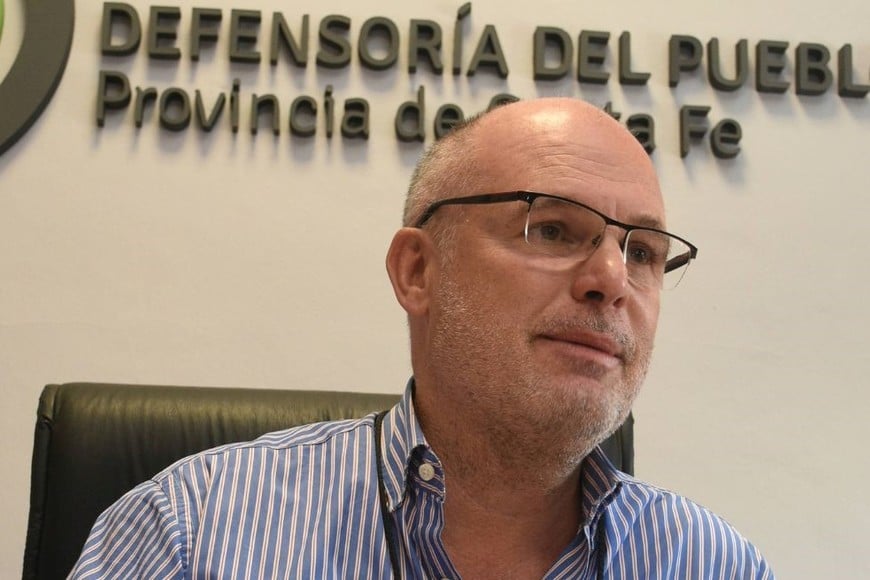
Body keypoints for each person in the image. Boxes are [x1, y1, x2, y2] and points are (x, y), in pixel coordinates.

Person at [70, 98, 773, 579]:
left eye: (643, 252)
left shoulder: (713, 565)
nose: (611, 280)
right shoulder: (192, 535)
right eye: (554, 229)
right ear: (418, 271)